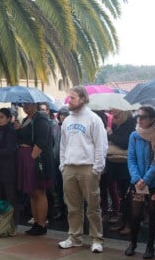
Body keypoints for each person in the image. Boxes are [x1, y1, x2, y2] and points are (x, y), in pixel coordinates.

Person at [58, 86, 107, 251]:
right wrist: (62, 165)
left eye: (72, 98)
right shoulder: (67, 121)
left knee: (93, 206)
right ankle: (74, 237)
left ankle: (96, 239)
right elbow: (63, 145)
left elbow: (101, 145)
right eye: (68, 98)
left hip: (88, 168)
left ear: (83, 99)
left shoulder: (94, 119)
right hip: (69, 168)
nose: (69, 101)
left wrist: (97, 168)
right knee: (72, 207)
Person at [125, 106, 155, 259]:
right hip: (137, 182)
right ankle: (133, 243)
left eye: (143, 117)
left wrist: (146, 179)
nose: (139, 120)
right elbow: (131, 158)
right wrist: (136, 178)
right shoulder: (134, 135)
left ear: (152, 118)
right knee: (135, 214)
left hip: (154, 181)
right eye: (137, 117)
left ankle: (150, 246)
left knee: (153, 213)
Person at [17, 102, 54, 235]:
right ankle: (36, 222)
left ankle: (42, 224)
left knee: (39, 191)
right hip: (26, 159)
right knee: (32, 192)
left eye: (28, 104)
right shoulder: (27, 119)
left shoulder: (41, 118)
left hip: (36, 160)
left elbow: (42, 141)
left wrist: (32, 157)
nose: (25, 107)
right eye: (23, 104)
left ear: (35, 104)